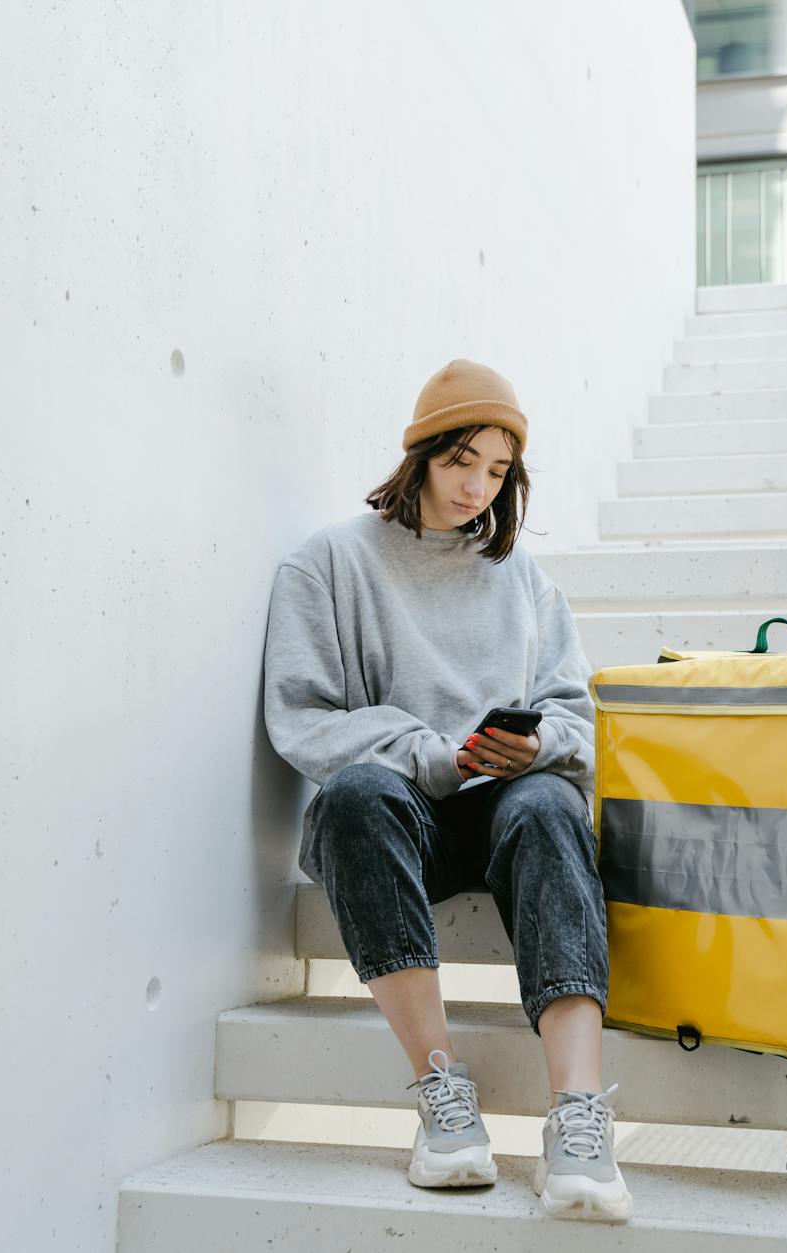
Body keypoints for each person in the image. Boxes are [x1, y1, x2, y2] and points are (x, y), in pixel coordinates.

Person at [261, 358, 630, 1222]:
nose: (476, 487)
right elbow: (303, 716)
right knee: (351, 796)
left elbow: (581, 725)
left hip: (507, 809)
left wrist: (533, 746)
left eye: (497, 472)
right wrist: (429, 754)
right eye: (462, 460)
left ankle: (577, 1118)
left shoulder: (526, 581)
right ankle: (443, 1098)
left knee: (550, 805)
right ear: (420, 454)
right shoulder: (328, 564)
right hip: (401, 815)